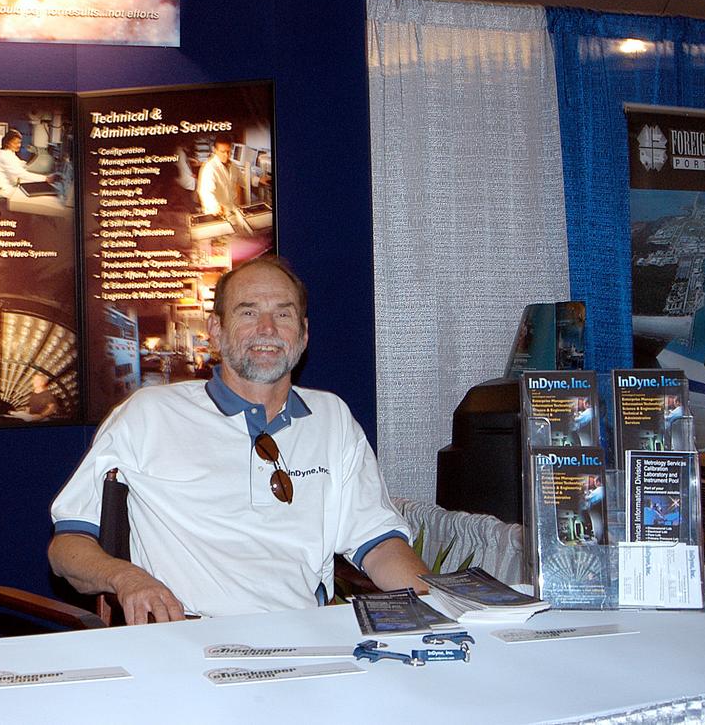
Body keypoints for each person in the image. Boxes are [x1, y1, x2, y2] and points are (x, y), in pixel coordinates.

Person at [48, 256, 429, 622]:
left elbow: (379, 545)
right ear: (215, 330)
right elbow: (67, 548)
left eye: (283, 313)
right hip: (188, 638)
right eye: (248, 312)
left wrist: (440, 605)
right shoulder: (148, 414)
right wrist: (126, 578)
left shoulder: (333, 417)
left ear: (304, 332)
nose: (267, 328)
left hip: (303, 635)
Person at [0, 128, 54, 198]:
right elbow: (20, 173)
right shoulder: (5, 156)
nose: (19, 145)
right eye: (15, 143)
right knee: (32, 197)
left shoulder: (9, 153)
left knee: (32, 187)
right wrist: (45, 179)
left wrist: (30, 164)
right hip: (2, 189)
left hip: (7, 185)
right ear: (7, 143)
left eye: (19, 142)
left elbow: (19, 164)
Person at [196, 138, 239, 217]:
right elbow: (205, 192)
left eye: (228, 151)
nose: (226, 155)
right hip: (216, 213)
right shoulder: (209, 168)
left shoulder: (233, 165)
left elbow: (242, 178)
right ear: (215, 150)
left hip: (231, 210)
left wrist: (258, 180)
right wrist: (215, 206)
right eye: (222, 152)